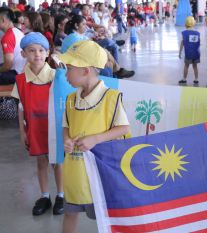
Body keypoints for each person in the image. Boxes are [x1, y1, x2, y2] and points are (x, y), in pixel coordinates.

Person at [58, 40, 130, 233]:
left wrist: (95, 139)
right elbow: (66, 126)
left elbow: (123, 128)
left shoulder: (111, 98)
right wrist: (66, 139)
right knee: (70, 212)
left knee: (104, 216)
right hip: (75, 171)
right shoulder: (71, 99)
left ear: (85, 70)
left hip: (99, 173)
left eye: (69, 68)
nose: (65, 74)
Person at [11, 32, 64, 216]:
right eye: (31, 51)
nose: (37, 54)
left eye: (41, 50)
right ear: (23, 54)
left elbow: (65, 102)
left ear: (47, 52)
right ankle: (45, 195)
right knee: (41, 161)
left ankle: (61, 195)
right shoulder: (20, 79)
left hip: (54, 127)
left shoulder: (56, 76)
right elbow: (20, 107)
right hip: (34, 128)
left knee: (57, 162)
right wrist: (22, 131)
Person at [0, 7, 26, 85]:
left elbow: (8, 65)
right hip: (21, 70)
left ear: (2, 19)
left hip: (14, 74)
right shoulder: (18, 31)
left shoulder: (8, 36)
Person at [178, 16, 200, 85]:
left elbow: (182, 43)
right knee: (195, 66)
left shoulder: (184, 33)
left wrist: (180, 52)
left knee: (186, 66)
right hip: (196, 53)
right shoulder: (197, 33)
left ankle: (184, 79)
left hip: (188, 53)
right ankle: (196, 79)